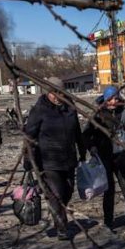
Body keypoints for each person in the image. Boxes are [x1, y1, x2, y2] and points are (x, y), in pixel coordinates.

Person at [24, 76, 86, 240]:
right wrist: (28, 159)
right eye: (53, 92)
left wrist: (83, 150)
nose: (56, 96)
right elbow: (29, 135)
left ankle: (60, 217)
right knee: (55, 194)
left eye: (59, 92)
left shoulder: (70, 108)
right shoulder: (39, 110)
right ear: (48, 93)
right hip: (48, 160)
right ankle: (62, 228)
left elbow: (77, 132)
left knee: (67, 192)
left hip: (68, 158)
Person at [82, 86, 125, 230]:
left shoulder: (124, 112)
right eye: (111, 99)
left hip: (121, 156)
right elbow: (87, 135)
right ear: (105, 99)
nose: (114, 101)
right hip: (105, 157)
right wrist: (92, 148)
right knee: (109, 190)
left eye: (116, 98)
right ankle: (108, 222)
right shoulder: (98, 114)